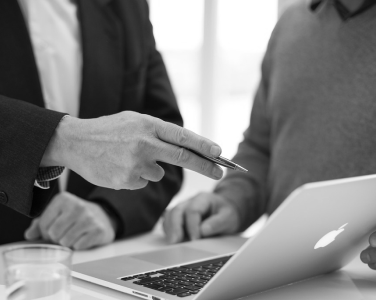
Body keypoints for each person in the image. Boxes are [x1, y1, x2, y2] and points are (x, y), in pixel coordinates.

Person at [163, 0, 376, 269]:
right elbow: (261, 147)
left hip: (363, 286)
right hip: (280, 271)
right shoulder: (292, 24)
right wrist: (231, 201)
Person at [0, 0, 223, 248]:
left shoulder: (128, 6)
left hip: (91, 264)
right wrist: (65, 141)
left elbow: (161, 145)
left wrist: (109, 211)